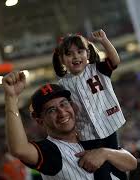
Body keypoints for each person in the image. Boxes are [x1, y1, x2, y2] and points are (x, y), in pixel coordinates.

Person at [2, 71, 137, 180]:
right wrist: (11, 99)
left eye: (64, 104)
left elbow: (131, 163)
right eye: (51, 110)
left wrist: (105, 153)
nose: (62, 112)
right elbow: (19, 149)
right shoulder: (51, 151)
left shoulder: (89, 134)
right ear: (40, 121)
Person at [52, 29, 127, 178]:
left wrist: (104, 40)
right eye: (69, 54)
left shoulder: (97, 69)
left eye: (80, 51)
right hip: (86, 133)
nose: (75, 56)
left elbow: (115, 61)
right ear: (61, 59)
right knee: (99, 171)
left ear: (88, 53)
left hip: (108, 125)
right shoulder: (62, 85)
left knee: (117, 165)